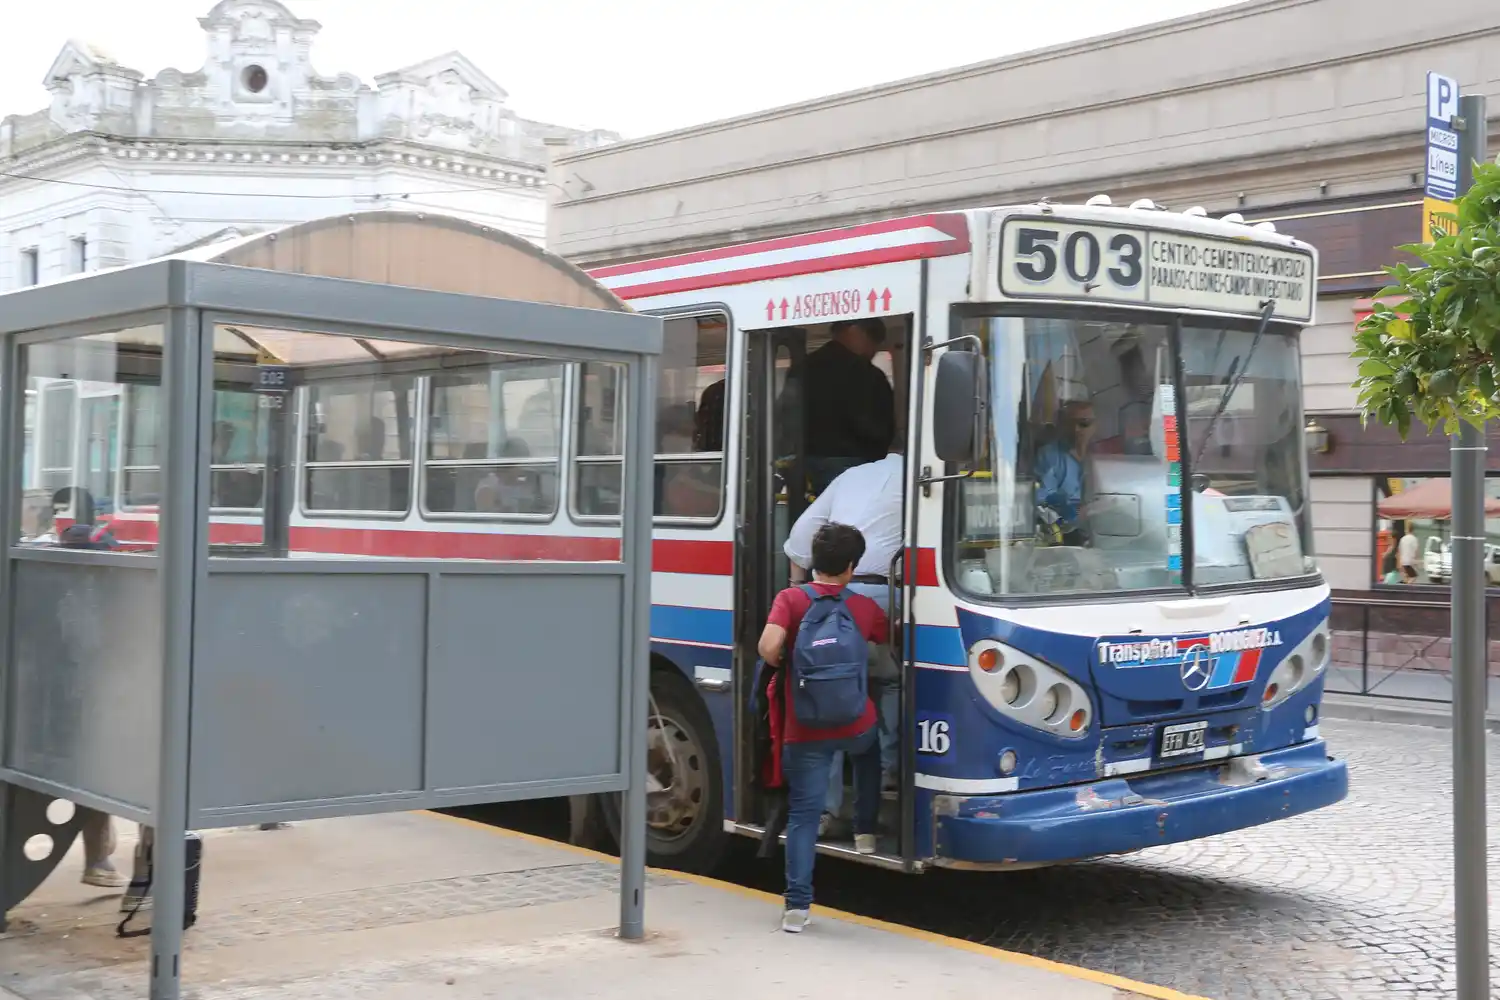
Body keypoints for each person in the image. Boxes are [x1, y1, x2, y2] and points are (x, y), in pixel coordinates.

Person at [758, 523, 887, 934]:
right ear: (851, 567)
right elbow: (889, 638)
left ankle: (797, 909)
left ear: (814, 560)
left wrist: (787, 663)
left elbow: (766, 647)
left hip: (805, 728)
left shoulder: (791, 600)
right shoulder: (863, 606)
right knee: (870, 752)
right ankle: (865, 830)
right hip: (853, 721)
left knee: (803, 814)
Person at [783, 448, 903, 831]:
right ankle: (887, 771)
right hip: (885, 596)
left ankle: (825, 808)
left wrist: (800, 591)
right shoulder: (926, 479)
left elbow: (799, 539)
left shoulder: (853, 474)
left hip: (826, 596)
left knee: (830, 693)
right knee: (893, 679)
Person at [803, 319, 895, 495]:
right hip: (852, 460)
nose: (873, 350)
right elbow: (873, 424)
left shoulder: (803, 366)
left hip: (805, 461)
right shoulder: (865, 373)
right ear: (854, 330)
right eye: (874, 340)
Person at [1035, 399, 1097, 545]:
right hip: (1065, 536)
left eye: (1084, 423)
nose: (1076, 429)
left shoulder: (1109, 455)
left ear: (1097, 425)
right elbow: (1041, 498)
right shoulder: (1049, 455)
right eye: (1070, 424)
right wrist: (1071, 511)